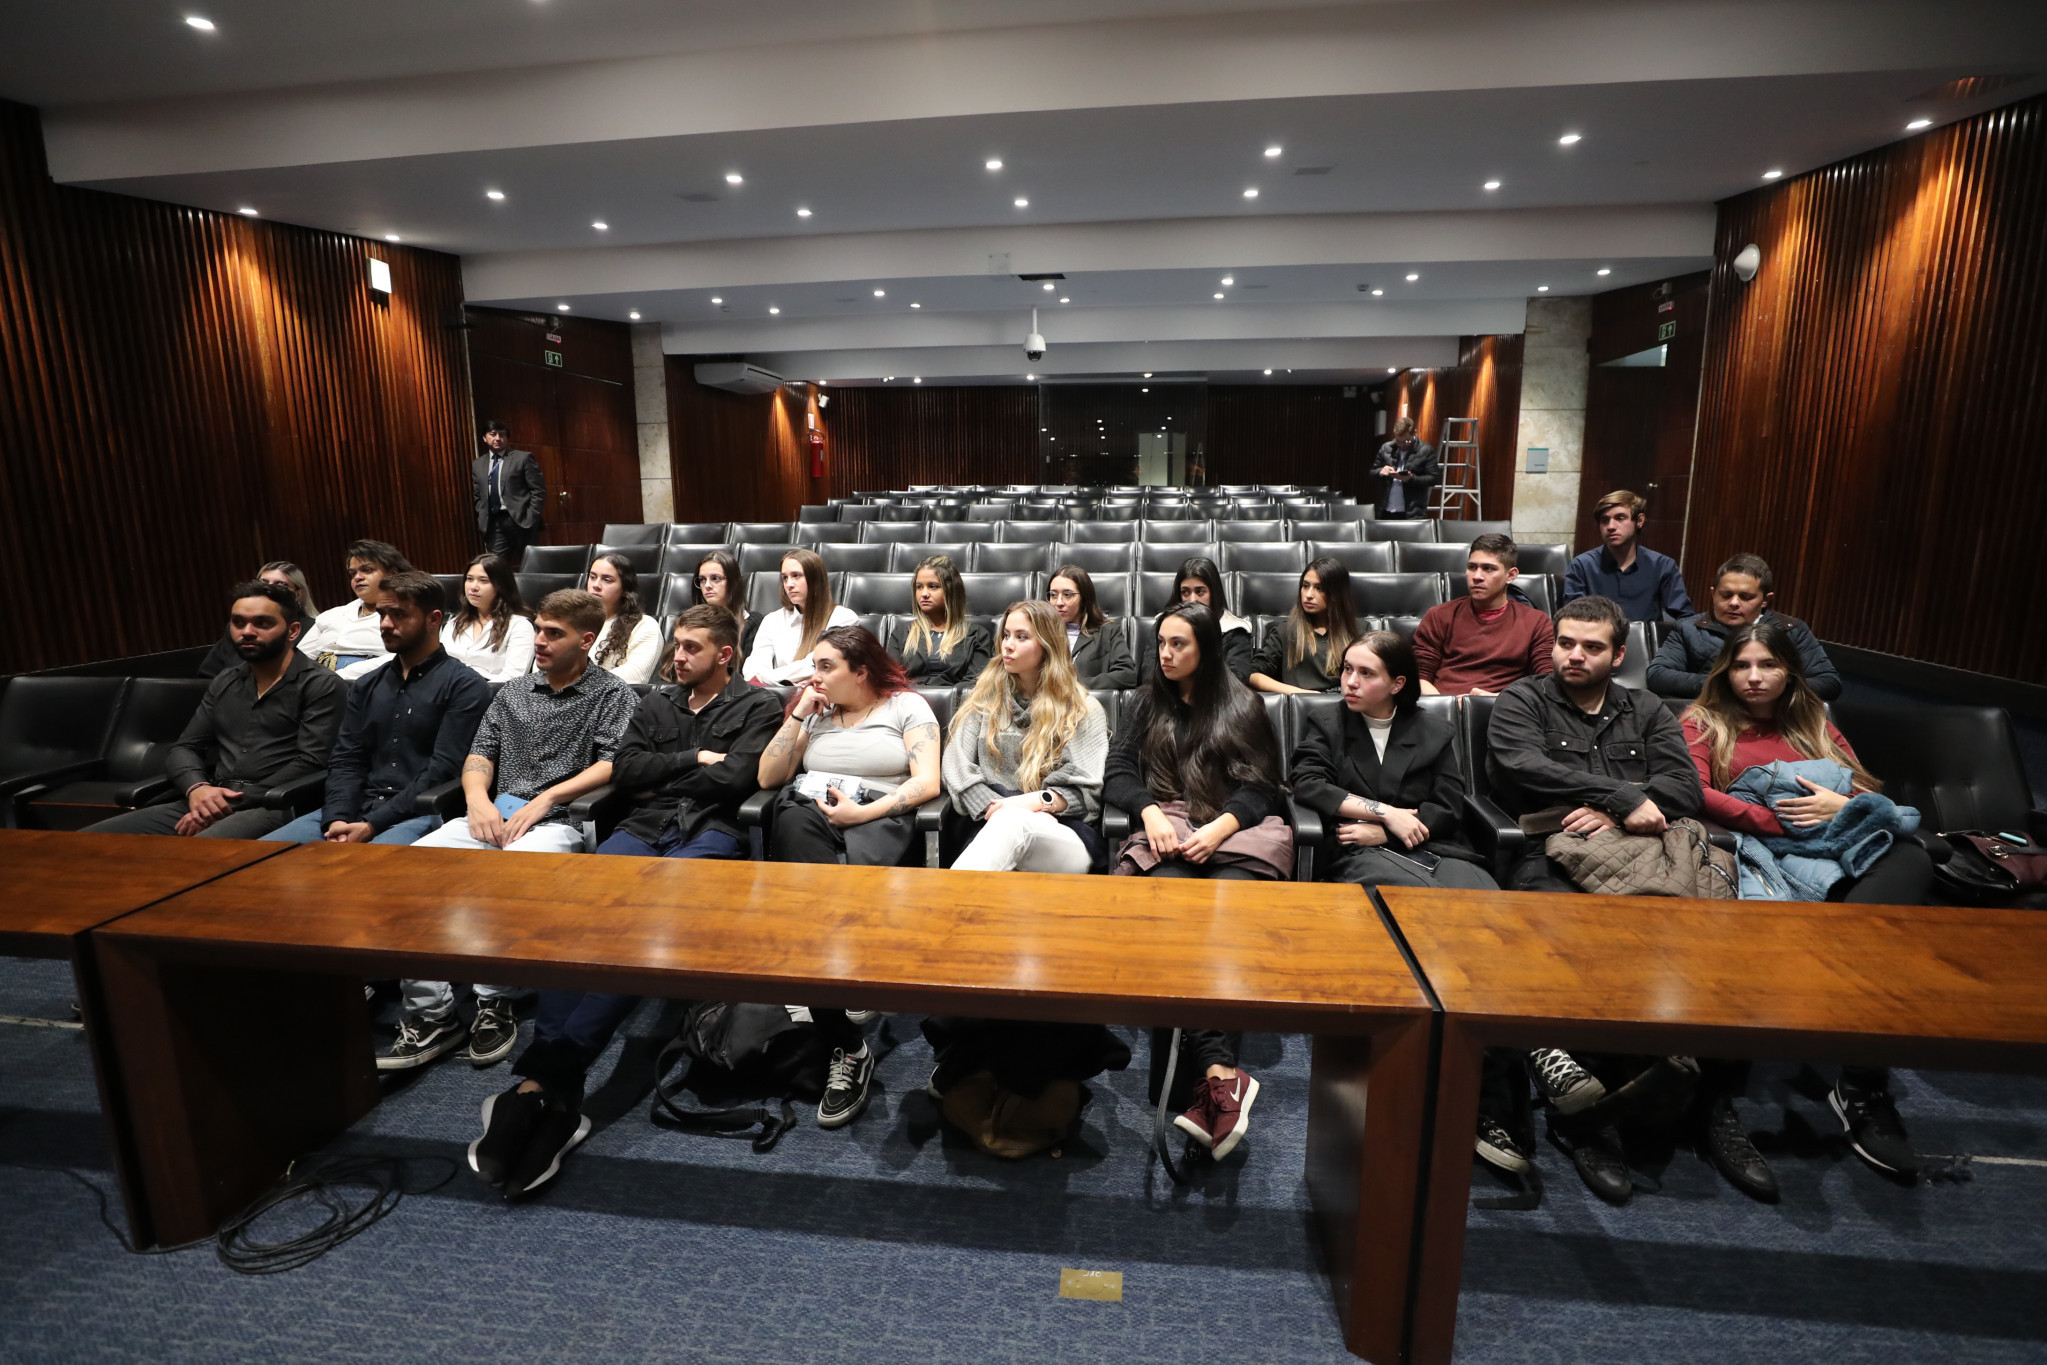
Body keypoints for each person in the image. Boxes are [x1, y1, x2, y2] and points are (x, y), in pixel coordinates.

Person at [469, 605, 783, 1199]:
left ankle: (545, 1078)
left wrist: (661, 777)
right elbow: (628, 769)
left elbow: (738, 780)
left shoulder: (758, 707)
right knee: (580, 920)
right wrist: (690, 760)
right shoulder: (657, 702)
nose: (678, 656)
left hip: (713, 832)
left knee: (643, 925)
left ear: (725, 655)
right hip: (642, 827)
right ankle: (554, 1095)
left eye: (692, 648)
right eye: (677, 646)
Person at [1682, 619, 1931, 1190]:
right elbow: (1696, 792)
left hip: (1829, 844)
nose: (1753, 677)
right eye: (1741, 666)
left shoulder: (1814, 723)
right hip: (1753, 847)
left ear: (1790, 672)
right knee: (1753, 918)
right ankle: (1717, 1095)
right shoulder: (1703, 722)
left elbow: (1867, 791)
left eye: (1767, 665)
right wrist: (1777, 819)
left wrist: (1837, 807)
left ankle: (1861, 1078)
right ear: (1724, 671)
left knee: (1910, 858)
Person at [1481, 595, 1704, 1197]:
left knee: (1680, 945)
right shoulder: (1523, 699)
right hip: (1547, 848)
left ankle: (1693, 1096)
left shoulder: (1648, 706)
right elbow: (1521, 767)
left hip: (1637, 851)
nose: (1574, 656)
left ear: (1619, 654)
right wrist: (1626, 797)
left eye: (1592, 647)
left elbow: (1684, 786)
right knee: (1575, 949)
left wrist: (1611, 810)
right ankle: (1587, 1121)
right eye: (1566, 643)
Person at [382, 589, 639, 1073]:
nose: (538, 640)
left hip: (559, 820)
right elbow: (480, 755)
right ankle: (431, 1012)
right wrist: (477, 801)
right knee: (408, 867)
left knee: (508, 880)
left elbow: (613, 762)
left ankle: (492, 1002)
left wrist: (548, 798)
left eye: (553, 633)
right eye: (538, 629)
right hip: (494, 812)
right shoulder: (515, 691)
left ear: (586, 640)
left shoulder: (612, 694)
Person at [1104, 603, 1291, 1161]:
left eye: (1178, 644)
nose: (1165, 654)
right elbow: (1118, 772)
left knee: (1220, 923)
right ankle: (1219, 1079)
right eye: (1160, 642)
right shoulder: (1145, 702)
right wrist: (1150, 813)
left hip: (1234, 827)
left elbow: (1263, 790)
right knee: (1179, 922)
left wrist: (1220, 828)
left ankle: (1208, 1079)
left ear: (1206, 649)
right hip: (1170, 823)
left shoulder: (1243, 704)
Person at [758, 624, 942, 1128]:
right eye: (812, 666)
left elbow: (927, 782)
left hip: (879, 816)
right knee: (792, 817)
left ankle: (833, 994)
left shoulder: (906, 707)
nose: (812, 677)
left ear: (861, 672)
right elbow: (768, 778)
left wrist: (862, 814)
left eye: (825, 667)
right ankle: (845, 1032)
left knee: (812, 904)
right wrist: (797, 715)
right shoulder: (814, 714)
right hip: (810, 816)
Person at [82, 581, 344, 839]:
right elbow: (185, 747)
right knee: (92, 840)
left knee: (202, 851)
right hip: (209, 797)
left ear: (292, 631)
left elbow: (311, 762)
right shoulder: (225, 681)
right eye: (238, 622)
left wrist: (224, 804)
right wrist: (197, 789)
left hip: (275, 803)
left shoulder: (321, 684)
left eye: (262, 623)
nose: (247, 631)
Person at [262, 572, 492, 846]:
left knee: (367, 873)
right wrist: (338, 818)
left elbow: (443, 770)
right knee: (266, 860)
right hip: (354, 808)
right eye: (382, 614)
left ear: (434, 619)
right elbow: (347, 760)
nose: (385, 624)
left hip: (418, 812)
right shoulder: (366, 685)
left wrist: (372, 825)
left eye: (398, 615)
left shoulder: (465, 686)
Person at [1291, 631, 1498, 890]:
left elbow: (1448, 807)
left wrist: (1387, 834)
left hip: (1435, 846)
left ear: (1397, 684)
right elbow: (1309, 784)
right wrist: (1386, 813)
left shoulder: (1433, 730)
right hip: (1358, 849)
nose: (1351, 682)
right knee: (1422, 902)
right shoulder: (1327, 723)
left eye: (1366, 673)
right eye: (1347, 669)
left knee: (1485, 901)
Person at [943, 599, 1109, 874]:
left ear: (1047, 644)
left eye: (1021, 637)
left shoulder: (1081, 708)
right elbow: (955, 765)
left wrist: (1034, 802)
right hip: (990, 824)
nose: (1008, 645)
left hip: (1064, 833)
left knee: (1013, 821)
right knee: (1009, 821)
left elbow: (1089, 791)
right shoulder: (984, 700)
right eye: (1006, 635)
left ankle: (949, 907)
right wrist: (992, 806)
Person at [1648, 552, 1841, 701]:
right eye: (1726, 595)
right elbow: (1658, 676)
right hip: (1711, 715)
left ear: (1765, 600)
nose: (1733, 603)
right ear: (1713, 593)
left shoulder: (1791, 629)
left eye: (1745, 597)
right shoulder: (1688, 628)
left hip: (1776, 720)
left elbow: (1828, 683)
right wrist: (1728, 683)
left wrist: (1772, 686)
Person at [1413, 535, 1556, 696]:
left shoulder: (1536, 622)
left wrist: (1492, 700)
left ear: (1511, 575)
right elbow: (1419, 677)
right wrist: (1447, 706)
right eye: (1472, 567)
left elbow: (1545, 681)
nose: (1477, 577)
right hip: (1443, 708)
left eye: (1488, 569)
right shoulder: (1438, 615)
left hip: (1504, 709)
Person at [1560, 490, 1694, 623]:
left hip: (1646, 642)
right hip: (1597, 641)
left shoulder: (1663, 566)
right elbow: (1573, 619)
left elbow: (1684, 617)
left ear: (1639, 521)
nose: (1611, 526)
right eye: (1605, 520)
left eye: (1620, 518)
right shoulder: (1582, 565)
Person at [299, 540, 413, 675]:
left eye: (367, 570)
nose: (357, 578)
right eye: (353, 573)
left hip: (370, 682)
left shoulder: (407, 613)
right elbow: (298, 658)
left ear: (392, 574)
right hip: (317, 682)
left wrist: (339, 677)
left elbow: (405, 657)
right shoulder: (331, 615)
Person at [744, 549, 855, 685]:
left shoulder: (843, 618)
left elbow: (814, 665)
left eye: (796, 576)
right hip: (775, 698)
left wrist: (767, 678)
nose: (789, 584)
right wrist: (767, 679)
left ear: (815, 579)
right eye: (785, 577)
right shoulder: (772, 620)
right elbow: (754, 667)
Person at [1248, 556, 1359, 694]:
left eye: (1319, 588)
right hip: (1300, 707)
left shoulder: (1358, 631)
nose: (1309, 595)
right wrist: (1302, 695)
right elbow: (1254, 675)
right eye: (1305, 586)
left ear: (1336, 594)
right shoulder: (1285, 631)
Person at [199, 562, 317, 678]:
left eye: (280, 584)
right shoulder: (239, 627)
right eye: (263, 582)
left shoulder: (313, 628)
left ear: (298, 593)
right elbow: (207, 675)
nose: (269, 588)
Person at [896, 555, 992, 686]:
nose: (924, 594)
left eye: (933, 586)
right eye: (919, 587)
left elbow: (975, 684)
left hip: (959, 704)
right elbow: (893, 679)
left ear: (951, 591)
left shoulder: (978, 635)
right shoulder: (901, 633)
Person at [442, 553, 537, 682]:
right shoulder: (453, 623)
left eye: (483, 580)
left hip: (492, 695)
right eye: (469, 579)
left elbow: (513, 678)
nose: (473, 587)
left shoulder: (519, 626)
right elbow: (440, 667)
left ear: (500, 586)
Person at [1159, 556, 1253, 682]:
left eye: (1200, 591)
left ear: (1213, 593)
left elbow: (1237, 680)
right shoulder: (1163, 626)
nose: (1192, 600)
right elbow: (1150, 676)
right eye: (1185, 592)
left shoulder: (1235, 631)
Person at [1047, 564, 1137, 689]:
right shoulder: (1041, 633)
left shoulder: (1107, 632)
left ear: (1084, 598)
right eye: (1053, 595)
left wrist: (1077, 686)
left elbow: (1127, 675)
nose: (1059, 602)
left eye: (1067, 595)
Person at [473, 420, 545, 559]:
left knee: (530, 564)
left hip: (522, 520)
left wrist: (531, 515)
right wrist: (481, 513)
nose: (497, 438)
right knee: (495, 567)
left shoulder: (522, 458)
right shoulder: (478, 464)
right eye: (493, 434)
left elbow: (538, 490)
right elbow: (477, 494)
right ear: (484, 438)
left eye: (502, 435)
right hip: (494, 522)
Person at [586, 552, 662, 684]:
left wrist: (578, 685)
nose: (596, 585)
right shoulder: (574, 621)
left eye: (606, 579)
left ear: (625, 589)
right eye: (592, 577)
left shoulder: (644, 625)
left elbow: (636, 675)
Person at [692, 550, 760, 662]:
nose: (707, 585)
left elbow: (748, 675)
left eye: (715, 578)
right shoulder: (684, 621)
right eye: (702, 579)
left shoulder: (751, 623)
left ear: (733, 583)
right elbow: (663, 673)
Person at [1371, 416, 1438, 519]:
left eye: (1406, 441)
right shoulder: (1386, 448)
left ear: (1414, 433)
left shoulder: (1426, 451)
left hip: (1412, 513)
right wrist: (1380, 471)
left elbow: (1433, 479)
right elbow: (1372, 473)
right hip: (1385, 510)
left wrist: (1412, 479)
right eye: (1398, 441)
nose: (1402, 445)